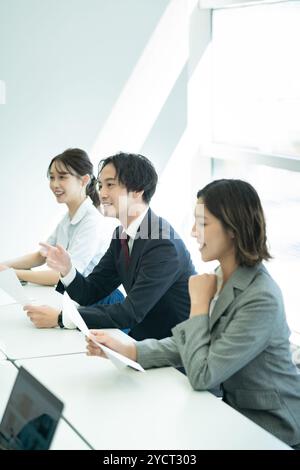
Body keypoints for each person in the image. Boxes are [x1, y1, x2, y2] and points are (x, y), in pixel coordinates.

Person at [86, 179, 300, 449]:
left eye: (203, 223)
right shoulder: (223, 275)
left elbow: (204, 374)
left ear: (232, 228)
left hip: (271, 426)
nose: (193, 232)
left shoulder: (262, 297)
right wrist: (129, 350)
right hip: (229, 410)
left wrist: (198, 304)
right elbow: (190, 343)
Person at [26, 152, 196, 340]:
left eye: (110, 185)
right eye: (100, 185)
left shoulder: (163, 243)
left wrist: (61, 318)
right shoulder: (121, 234)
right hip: (141, 341)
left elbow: (130, 312)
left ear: (138, 190)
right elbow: (90, 292)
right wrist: (67, 270)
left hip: (175, 352)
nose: (102, 193)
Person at [1, 148, 123, 327]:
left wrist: (11, 274)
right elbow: (41, 255)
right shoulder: (69, 217)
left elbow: (64, 275)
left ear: (84, 180)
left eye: (62, 177)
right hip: (77, 299)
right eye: (51, 177)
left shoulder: (92, 222)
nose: (54, 184)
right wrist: (5, 265)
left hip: (100, 303)